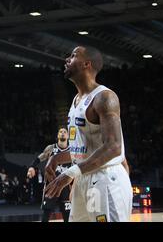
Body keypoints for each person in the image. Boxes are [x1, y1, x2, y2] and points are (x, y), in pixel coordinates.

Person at [45, 46, 132, 222]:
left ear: (86, 64)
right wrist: (55, 159)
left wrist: (70, 173)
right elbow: (82, 150)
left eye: (73, 56)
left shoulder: (105, 97)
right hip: (84, 178)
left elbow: (114, 147)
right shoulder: (77, 100)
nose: (67, 60)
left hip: (105, 179)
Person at [28, 127, 71, 222]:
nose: (63, 133)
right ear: (58, 135)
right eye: (60, 132)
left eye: (65, 132)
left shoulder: (72, 149)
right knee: (46, 212)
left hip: (66, 186)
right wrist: (32, 166)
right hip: (51, 185)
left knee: (67, 214)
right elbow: (39, 158)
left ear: (68, 136)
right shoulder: (51, 148)